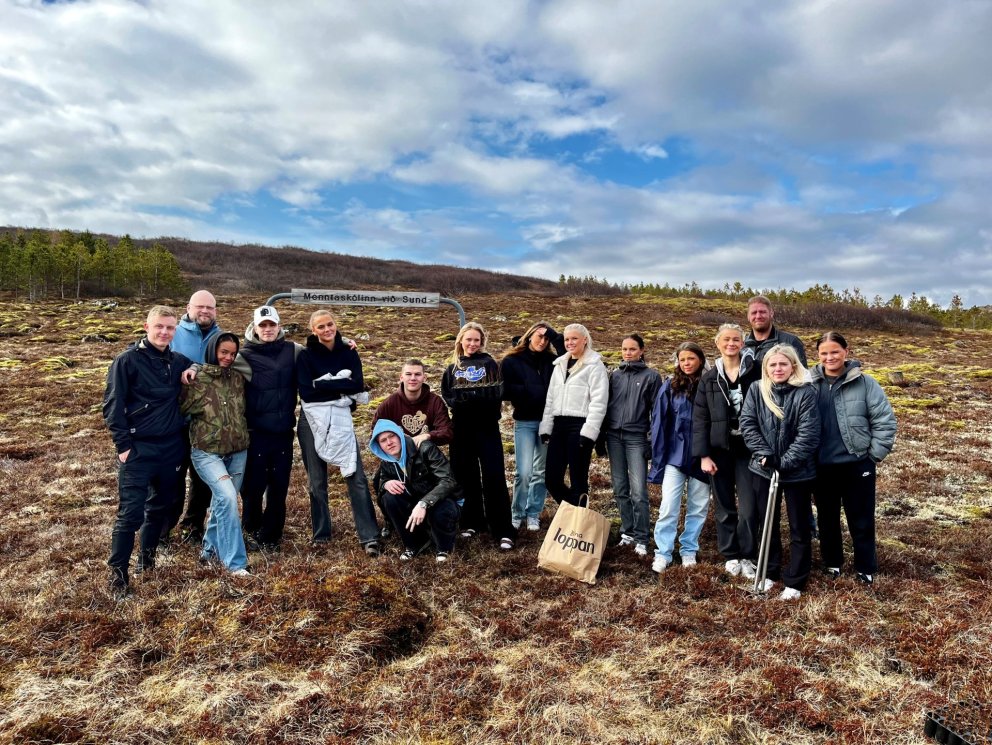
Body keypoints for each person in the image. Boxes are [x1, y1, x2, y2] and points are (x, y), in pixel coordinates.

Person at [102, 305, 191, 598]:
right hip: (139, 449)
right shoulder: (126, 361)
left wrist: (194, 369)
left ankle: (147, 561)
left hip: (171, 448)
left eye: (169, 328)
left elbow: (199, 368)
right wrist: (123, 446)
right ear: (147, 327)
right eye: (159, 327)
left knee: (159, 508)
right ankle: (118, 577)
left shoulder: (177, 361)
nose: (164, 332)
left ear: (175, 330)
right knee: (130, 514)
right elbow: (113, 406)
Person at [811, 332, 896, 586]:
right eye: (824, 353)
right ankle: (832, 563)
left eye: (835, 351)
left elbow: (885, 421)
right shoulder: (808, 383)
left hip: (857, 464)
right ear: (818, 355)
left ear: (846, 352)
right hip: (821, 466)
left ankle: (865, 567)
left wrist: (873, 455)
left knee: (861, 518)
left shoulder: (866, 383)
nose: (830, 357)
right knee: (826, 519)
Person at [296, 309, 382, 555]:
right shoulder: (305, 356)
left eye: (329, 324)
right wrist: (338, 388)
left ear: (336, 325)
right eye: (320, 326)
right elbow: (307, 393)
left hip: (341, 419)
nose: (326, 330)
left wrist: (322, 383)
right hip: (311, 420)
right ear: (314, 330)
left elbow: (356, 384)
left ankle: (369, 537)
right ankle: (321, 535)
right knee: (316, 481)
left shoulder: (348, 351)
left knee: (355, 476)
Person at [740, 344, 820, 601]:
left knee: (799, 526)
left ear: (793, 366)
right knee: (767, 524)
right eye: (772, 365)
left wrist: (783, 461)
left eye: (783, 364)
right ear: (766, 368)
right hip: (763, 470)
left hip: (798, 472)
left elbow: (808, 434)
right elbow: (748, 423)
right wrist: (765, 456)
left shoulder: (806, 393)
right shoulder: (756, 389)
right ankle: (769, 572)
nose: (777, 369)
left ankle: (795, 580)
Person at [232, 305, 303, 552]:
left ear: (279, 326)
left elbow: (322, 352)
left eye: (272, 325)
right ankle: (251, 529)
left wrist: (345, 342)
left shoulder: (293, 351)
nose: (268, 329)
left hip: (283, 432)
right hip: (256, 433)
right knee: (253, 487)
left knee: (279, 486)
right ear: (254, 327)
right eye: (263, 325)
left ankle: (272, 535)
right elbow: (216, 368)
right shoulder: (243, 356)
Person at [441, 322, 517, 550]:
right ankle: (471, 521)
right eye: (469, 339)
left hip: (487, 427)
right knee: (465, 475)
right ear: (460, 341)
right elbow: (449, 396)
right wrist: (469, 401)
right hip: (462, 428)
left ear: (482, 342)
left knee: (493, 476)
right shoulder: (452, 368)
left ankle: (502, 528)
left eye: (477, 340)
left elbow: (497, 395)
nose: (473, 344)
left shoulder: (491, 364)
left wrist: (474, 402)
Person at [180, 332, 251, 576]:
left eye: (233, 354)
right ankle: (235, 563)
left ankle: (209, 552)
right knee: (229, 498)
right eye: (223, 353)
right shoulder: (196, 378)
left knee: (223, 502)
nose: (229, 358)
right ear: (213, 351)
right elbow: (180, 408)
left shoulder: (238, 378)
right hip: (206, 453)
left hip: (238, 451)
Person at [694, 324, 760, 579]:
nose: (731, 344)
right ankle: (731, 555)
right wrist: (703, 455)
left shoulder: (756, 372)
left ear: (742, 343)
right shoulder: (709, 378)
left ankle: (747, 554)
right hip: (719, 450)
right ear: (717, 343)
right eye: (726, 340)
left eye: (736, 339)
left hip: (748, 450)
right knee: (724, 506)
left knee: (748, 507)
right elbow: (699, 419)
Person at [166, 289, 221, 544]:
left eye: (210, 307)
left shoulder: (222, 338)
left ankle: (193, 528)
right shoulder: (172, 333)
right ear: (188, 307)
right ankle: (162, 530)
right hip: (175, 422)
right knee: (171, 481)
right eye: (200, 307)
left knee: (202, 482)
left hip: (207, 424)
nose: (205, 311)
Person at [649, 342, 709, 573]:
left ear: (700, 360)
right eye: (682, 359)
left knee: (698, 507)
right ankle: (663, 552)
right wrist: (659, 458)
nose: (686, 363)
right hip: (675, 457)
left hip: (702, 457)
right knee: (668, 506)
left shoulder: (709, 385)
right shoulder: (669, 387)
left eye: (691, 358)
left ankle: (688, 549)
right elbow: (659, 423)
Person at [500, 321, 565, 532]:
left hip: (548, 421)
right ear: (529, 336)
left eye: (547, 339)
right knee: (524, 471)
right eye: (539, 336)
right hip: (525, 421)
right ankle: (516, 513)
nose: (543, 341)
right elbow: (505, 389)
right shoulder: (512, 360)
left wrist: (556, 337)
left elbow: (569, 358)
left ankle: (533, 513)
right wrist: (530, 391)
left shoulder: (553, 361)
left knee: (541, 471)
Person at [369, 419, 462, 562]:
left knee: (441, 510)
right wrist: (386, 483)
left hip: (442, 500)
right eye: (383, 440)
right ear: (379, 446)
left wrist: (424, 503)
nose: (389, 442)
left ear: (400, 435)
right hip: (415, 501)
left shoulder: (425, 448)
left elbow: (448, 481)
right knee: (390, 497)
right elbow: (381, 481)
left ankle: (444, 548)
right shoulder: (387, 461)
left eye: (392, 436)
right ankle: (414, 544)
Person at [539, 323, 609, 507]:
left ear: (585, 340)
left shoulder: (595, 365)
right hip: (559, 426)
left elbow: (599, 401)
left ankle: (579, 528)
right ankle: (575, 511)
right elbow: (551, 399)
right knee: (552, 480)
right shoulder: (559, 364)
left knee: (578, 480)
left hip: (581, 426)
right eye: (567, 339)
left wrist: (589, 432)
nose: (570, 342)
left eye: (574, 338)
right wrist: (546, 427)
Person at [604, 334, 661, 557]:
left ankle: (641, 537)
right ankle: (627, 532)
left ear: (641, 350)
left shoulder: (652, 377)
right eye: (624, 349)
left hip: (636, 438)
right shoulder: (614, 376)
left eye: (632, 349)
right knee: (620, 488)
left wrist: (650, 441)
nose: (627, 353)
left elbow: (656, 413)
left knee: (638, 491)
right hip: (613, 437)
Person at [373, 359, 453, 448]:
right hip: (398, 454)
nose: (413, 378)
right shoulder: (389, 404)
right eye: (408, 374)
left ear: (424, 377)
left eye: (417, 374)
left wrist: (428, 436)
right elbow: (375, 433)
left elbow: (446, 431)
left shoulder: (435, 402)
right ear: (401, 377)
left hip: (426, 453)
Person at [742, 295, 808, 369]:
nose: (758, 316)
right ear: (748, 316)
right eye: (754, 313)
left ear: (771, 313)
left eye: (762, 312)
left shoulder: (791, 342)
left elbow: (803, 376)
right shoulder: (742, 345)